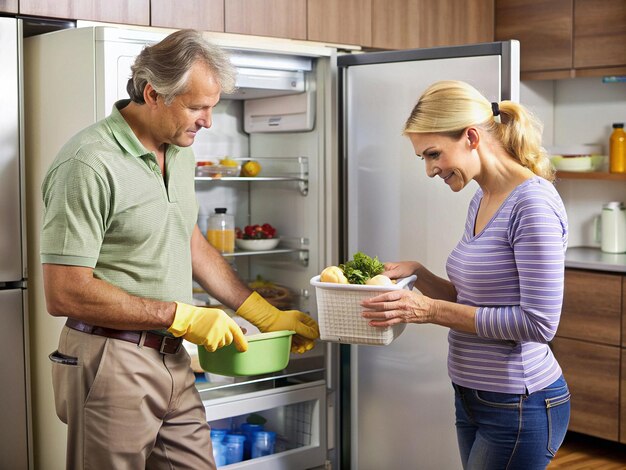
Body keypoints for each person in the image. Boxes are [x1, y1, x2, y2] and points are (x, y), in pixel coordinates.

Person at [41, 29, 319, 469]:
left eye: (212, 106)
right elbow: (64, 293)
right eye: (197, 107)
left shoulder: (180, 151)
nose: (207, 121)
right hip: (111, 360)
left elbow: (189, 241)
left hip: (173, 359)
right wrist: (181, 316)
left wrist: (260, 313)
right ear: (153, 94)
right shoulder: (88, 163)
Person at [361, 80, 570, 469]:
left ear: (471, 136)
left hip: (518, 403)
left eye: (433, 154)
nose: (429, 169)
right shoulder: (483, 197)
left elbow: (540, 324)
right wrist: (419, 274)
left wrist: (428, 311)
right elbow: (472, 300)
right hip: (473, 396)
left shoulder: (532, 204)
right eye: (423, 158)